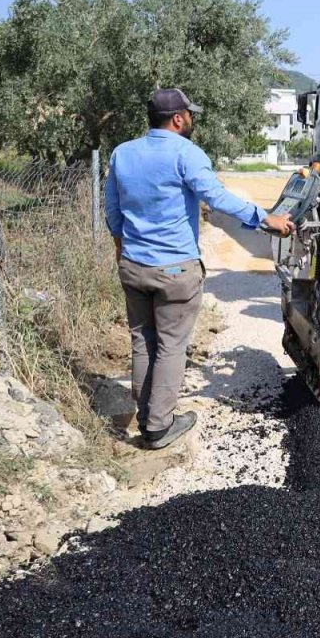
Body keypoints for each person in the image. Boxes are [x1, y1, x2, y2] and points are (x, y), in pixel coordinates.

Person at [104, 88, 294, 450]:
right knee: (171, 346)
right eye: (189, 115)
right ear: (178, 119)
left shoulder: (122, 153)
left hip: (133, 264)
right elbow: (217, 197)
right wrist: (265, 219)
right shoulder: (186, 154)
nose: (191, 120)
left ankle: (146, 416)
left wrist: (120, 246)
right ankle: (159, 427)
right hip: (175, 269)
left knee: (142, 342)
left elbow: (112, 206)